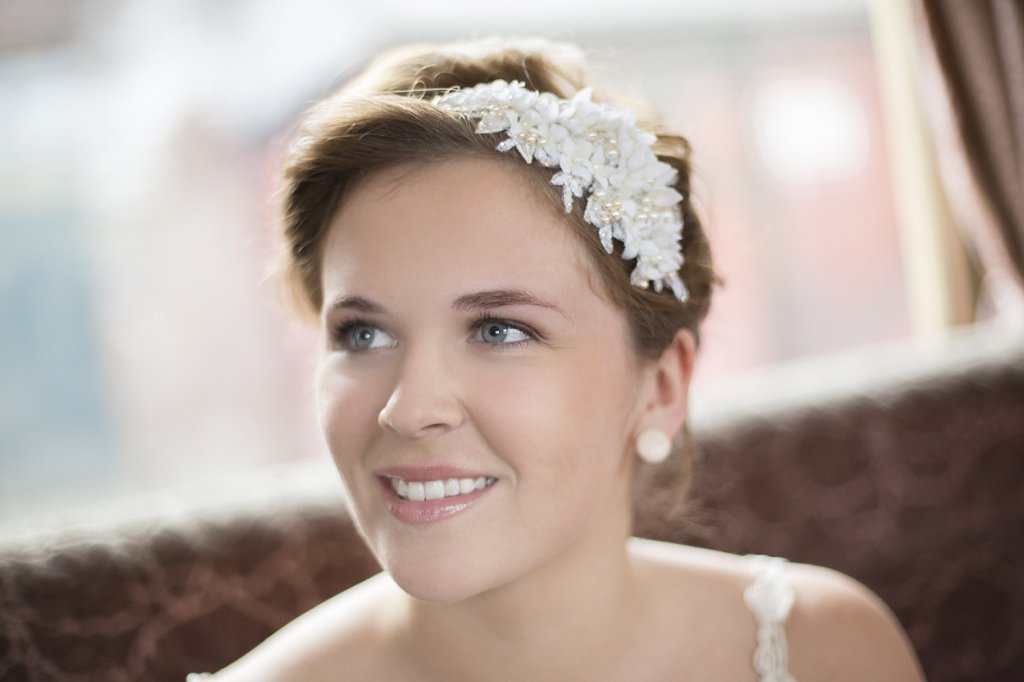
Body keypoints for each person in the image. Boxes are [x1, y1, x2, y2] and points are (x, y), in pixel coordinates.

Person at [195, 38, 925, 681]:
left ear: (662, 385)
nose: (408, 409)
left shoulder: (827, 652)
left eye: (499, 330)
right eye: (362, 335)